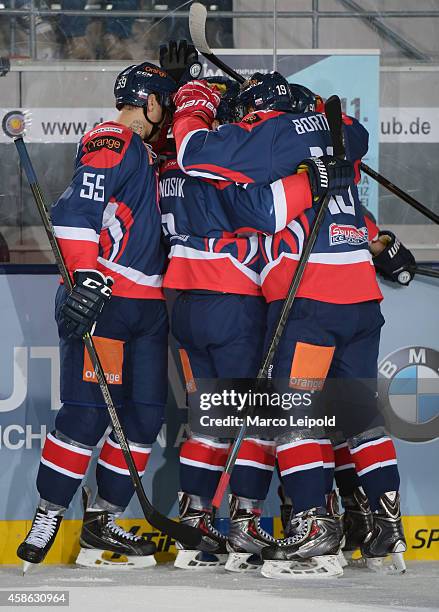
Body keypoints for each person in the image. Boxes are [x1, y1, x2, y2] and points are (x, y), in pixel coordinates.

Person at [171, 73, 407, 578]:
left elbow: (224, 179)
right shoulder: (340, 133)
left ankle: (313, 525)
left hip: (309, 299)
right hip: (362, 298)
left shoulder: (267, 139)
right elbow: (354, 140)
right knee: (356, 413)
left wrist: (195, 104)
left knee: (292, 417)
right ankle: (388, 521)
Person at [16, 61, 177, 571]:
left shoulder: (150, 154)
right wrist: (84, 277)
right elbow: (74, 213)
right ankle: (48, 514)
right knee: (86, 415)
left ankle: (102, 518)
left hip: (149, 310)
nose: (166, 113)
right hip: (105, 301)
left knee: (144, 417)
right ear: (148, 101)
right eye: (163, 102)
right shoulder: (115, 139)